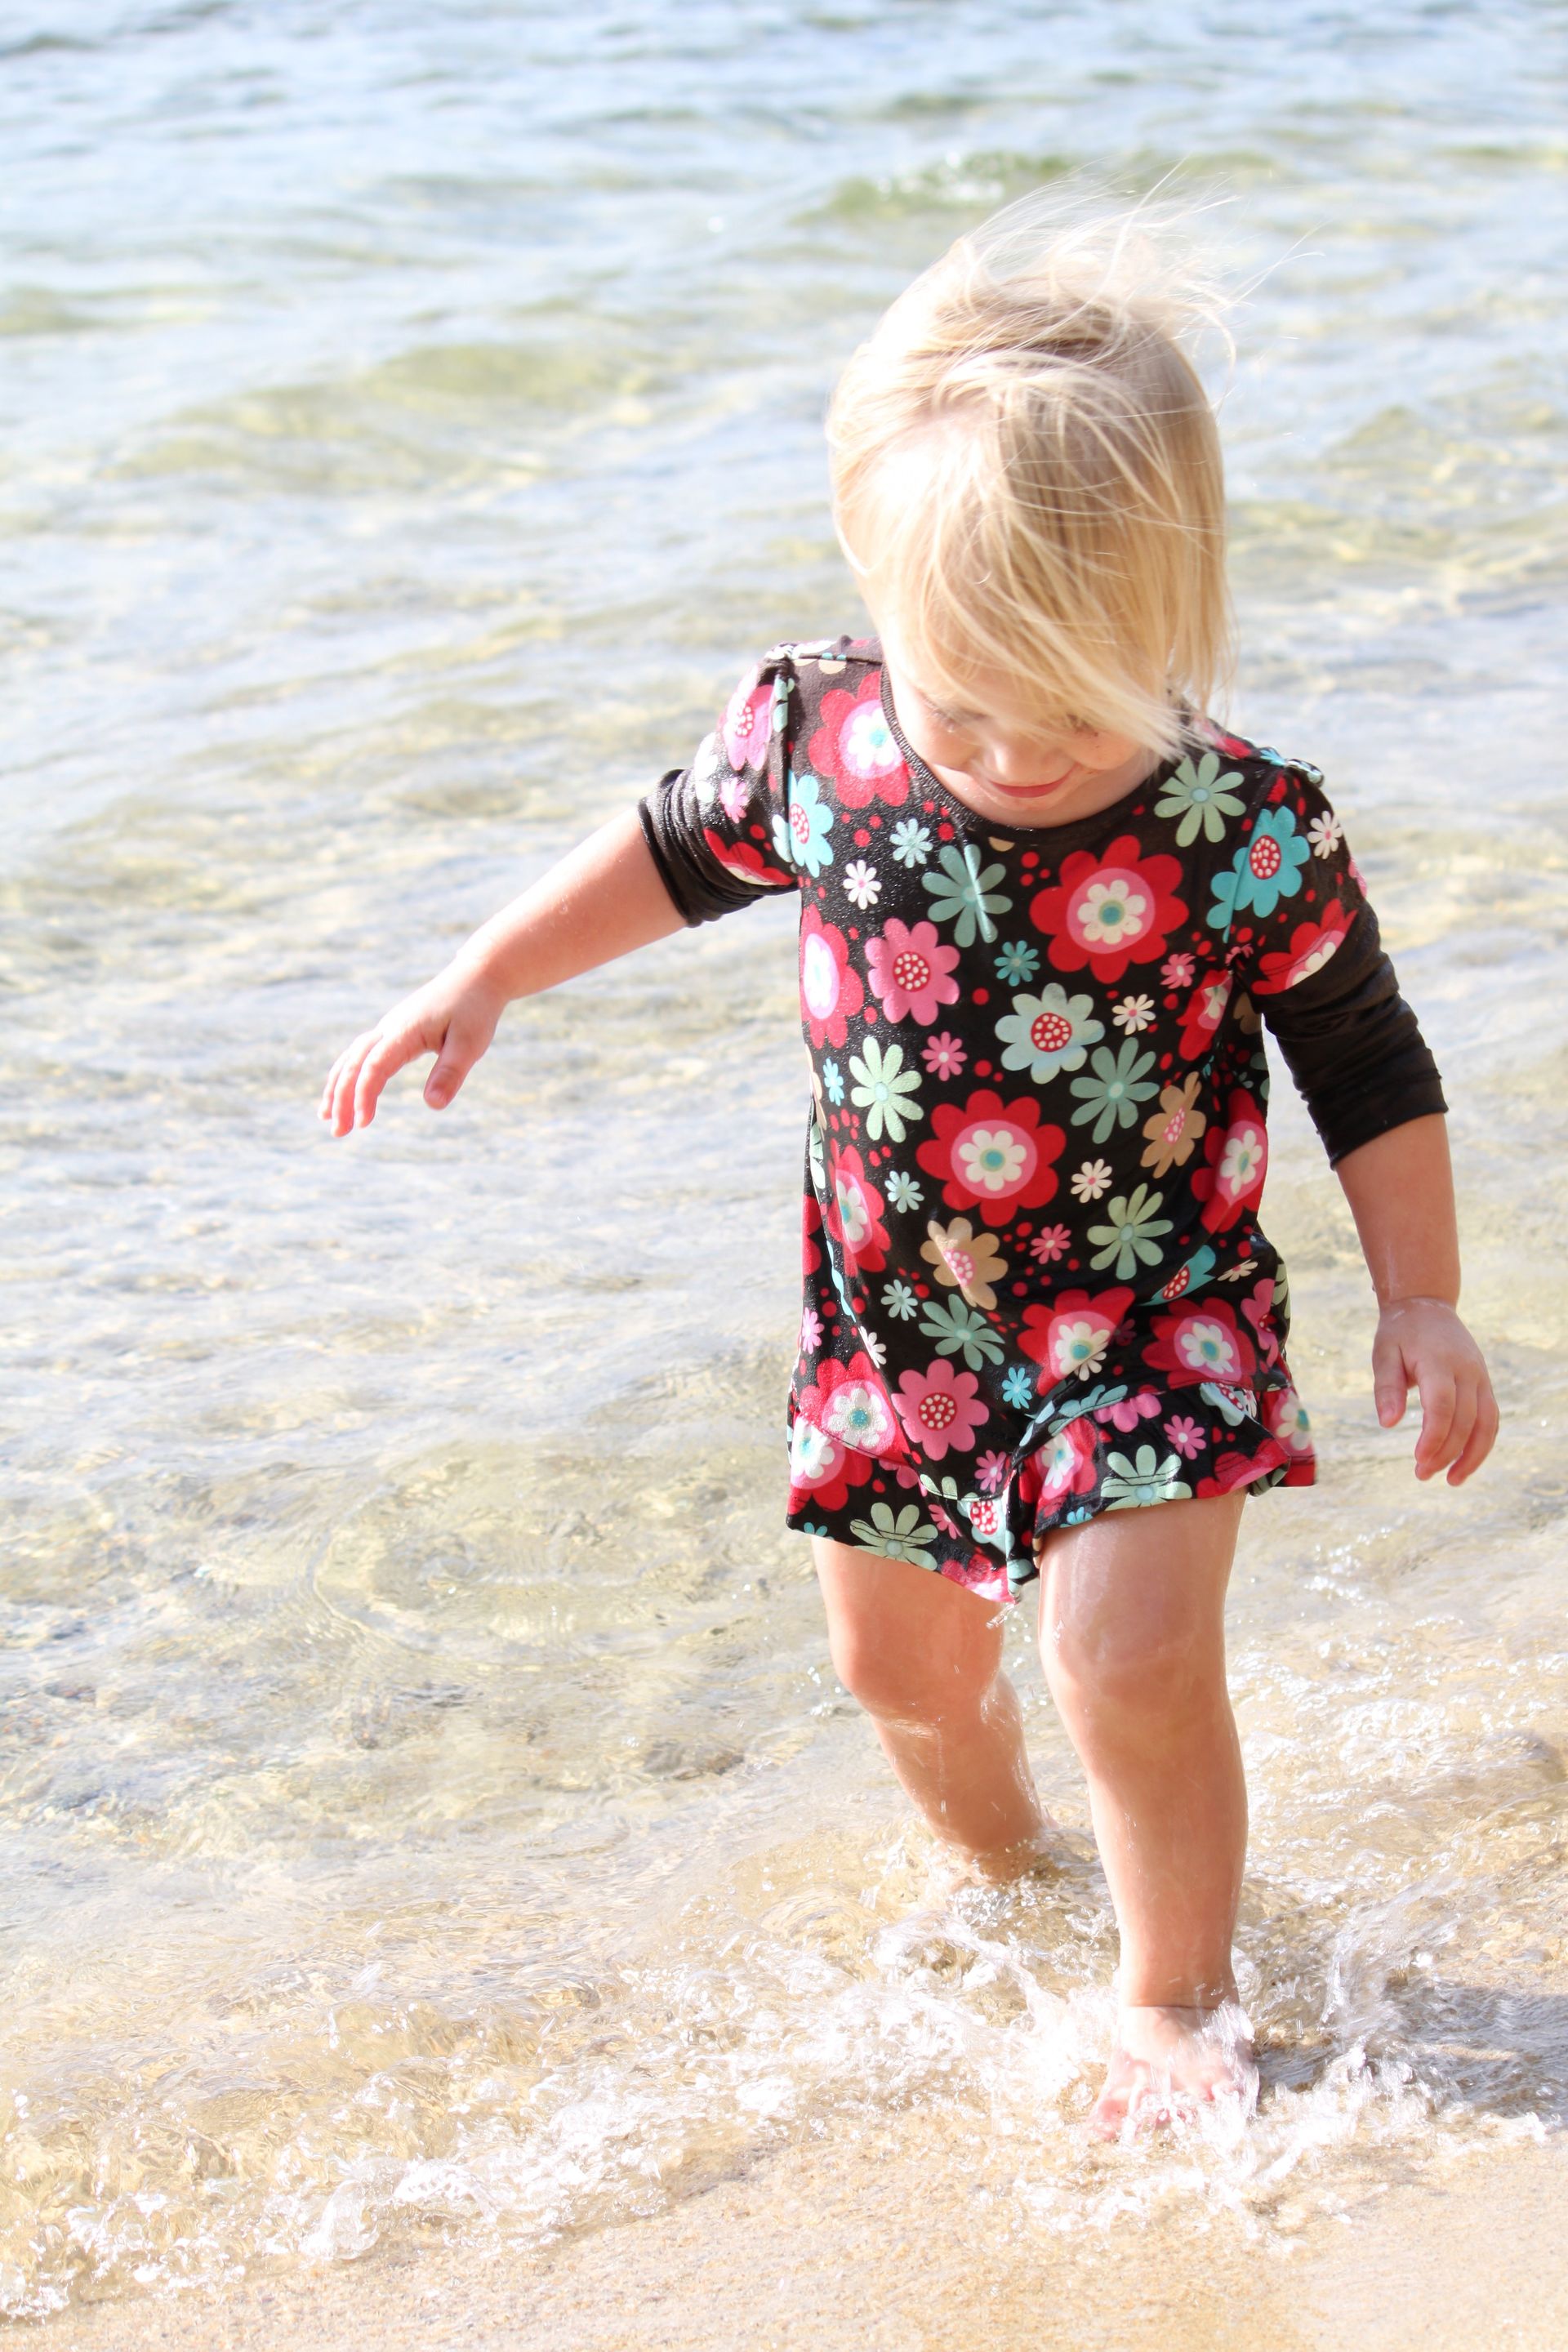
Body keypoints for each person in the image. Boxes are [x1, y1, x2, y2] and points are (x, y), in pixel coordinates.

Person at [318, 194, 1498, 2139]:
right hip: (900, 1323)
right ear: (889, 618)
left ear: (1172, 623)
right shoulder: (828, 735)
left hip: (1155, 1315)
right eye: (970, 697)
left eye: (1076, 700)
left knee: (1122, 1648)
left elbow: (1363, 1051)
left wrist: (1424, 1291)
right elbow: (677, 845)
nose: (1019, 749)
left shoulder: (1241, 822)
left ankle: (1176, 1994)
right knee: (899, 1672)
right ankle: (1012, 1877)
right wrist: (483, 974)